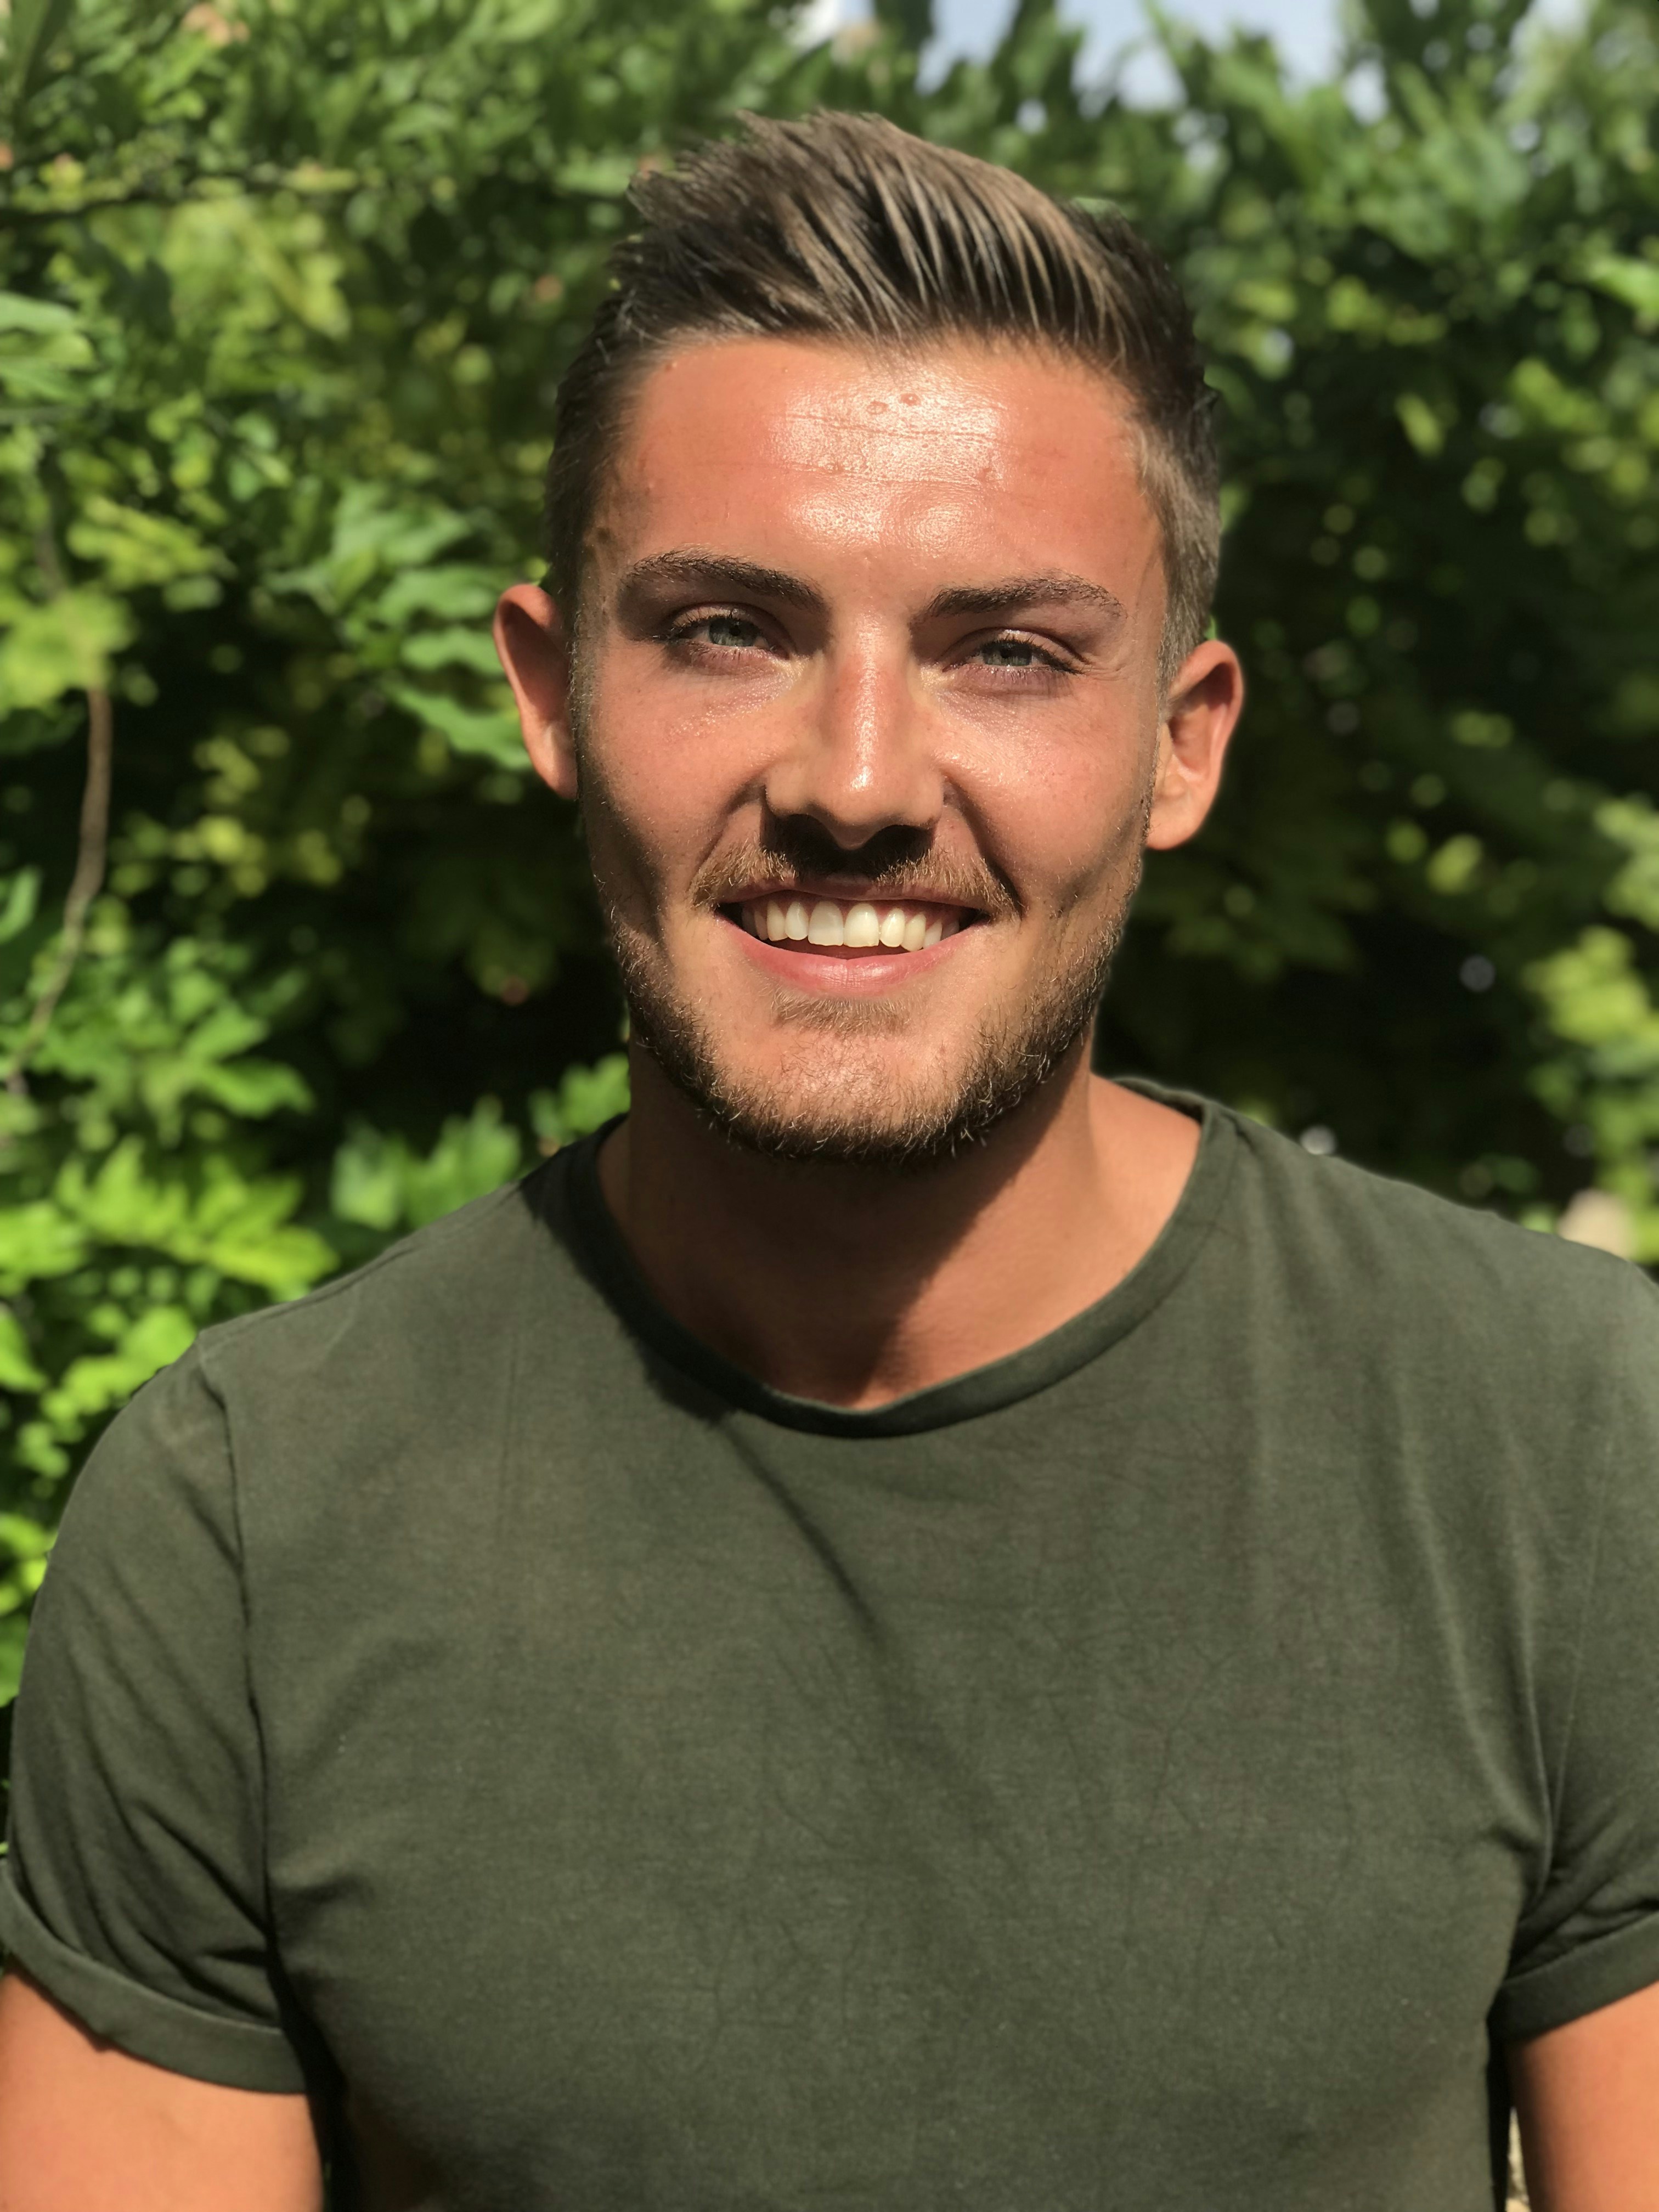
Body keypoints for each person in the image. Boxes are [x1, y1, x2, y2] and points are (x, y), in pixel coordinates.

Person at [0, 109, 1655, 2212]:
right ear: (546, 690)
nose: (857, 781)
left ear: (1183, 740)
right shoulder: (246, 1528)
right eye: (726, 629)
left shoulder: (1569, 1443)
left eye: (1010, 652)